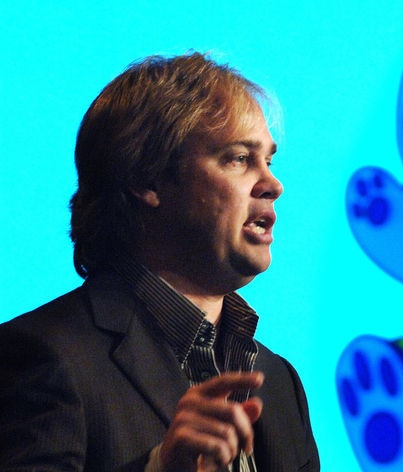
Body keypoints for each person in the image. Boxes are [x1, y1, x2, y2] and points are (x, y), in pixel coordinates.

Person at [0, 52, 320, 471]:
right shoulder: (42, 355)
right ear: (146, 180)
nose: (273, 184)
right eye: (239, 158)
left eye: (269, 161)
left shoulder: (278, 383)